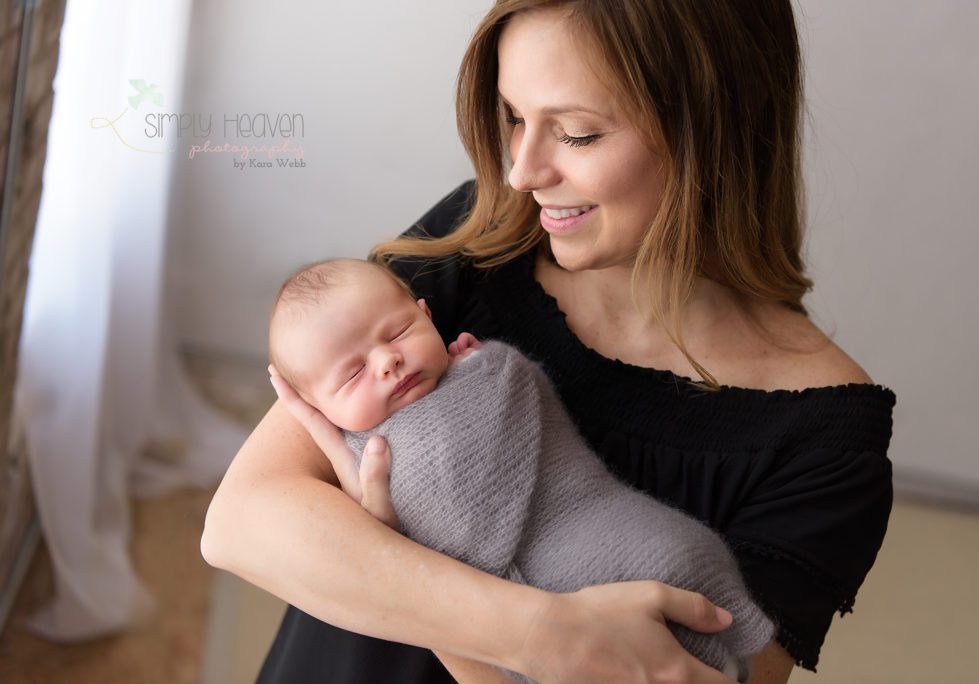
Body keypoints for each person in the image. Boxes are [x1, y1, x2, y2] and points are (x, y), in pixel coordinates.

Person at [201, 2, 896, 682]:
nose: (521, 172)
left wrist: (395, 547)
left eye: (577, 134)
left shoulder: (826, 441)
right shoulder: (478, 235)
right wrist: (542, 635)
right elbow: (241, 524)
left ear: (715, 128)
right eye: (514, 117)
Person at [265, 257, 778, 682]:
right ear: (319, 408)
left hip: (607, 520)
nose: (386, 362)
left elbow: (527, 406)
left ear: (427, 315)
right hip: (551, 590)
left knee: (670, 566)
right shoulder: (361, 450)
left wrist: (481, 369)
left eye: (399, 332)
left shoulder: (481, 367)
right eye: (353, 373)